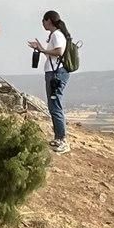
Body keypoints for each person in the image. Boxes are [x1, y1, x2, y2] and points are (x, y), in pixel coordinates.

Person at [27, 11, 72, 154]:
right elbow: (52, 54)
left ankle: (62, 139)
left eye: (43, 20)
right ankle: (59, 138)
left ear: (49, 21)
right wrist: (41, 49)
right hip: (55, 72)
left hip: (56, 74)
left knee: (55, 105)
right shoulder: (56, 35)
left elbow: (59, 52)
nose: (42, 23)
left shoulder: (57, 35)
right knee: (53, 105)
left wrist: (41, 49)